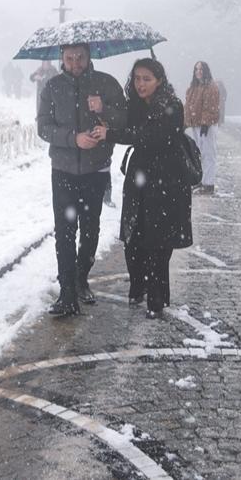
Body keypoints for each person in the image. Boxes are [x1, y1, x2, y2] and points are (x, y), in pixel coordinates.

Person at [37, 43, 127, 317]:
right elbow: (43, 127)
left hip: (95, 169)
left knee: (90, 230)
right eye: (69, 57)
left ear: (89, 57)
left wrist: (104, 112)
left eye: (80, 57)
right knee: (64, 232)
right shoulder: (52, 86)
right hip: (63, 169)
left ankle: (80, 277)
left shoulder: (106, 83)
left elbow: (123, 120)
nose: (75, 62)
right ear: (61, 59)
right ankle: (66, 293)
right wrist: (72, 138)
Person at [107, 58, 192, 319]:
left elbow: (154, 137)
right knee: (133, 236)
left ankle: (156, 298)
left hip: (167, 181)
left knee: (158, 241)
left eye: (146, 79)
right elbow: (125, 129)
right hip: (139, 178)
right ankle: (138, 285)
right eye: (136, 78)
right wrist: (103, 116)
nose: (140, 84)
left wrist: (117, 134)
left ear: (159, 80)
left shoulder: (172, 106)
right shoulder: (133, 104)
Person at [184, 61, 222, 194]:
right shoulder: (193, 87)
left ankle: (208, 184)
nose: (198, 72)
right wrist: (185, 122)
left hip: (207, 126)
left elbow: (210, 106)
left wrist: (206, 123)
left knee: (208, 154)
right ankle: (202, 180)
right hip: (195, 124)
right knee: (199, 154)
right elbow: (188, 107)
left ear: (205, 70)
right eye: (196, 69)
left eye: (201, 69)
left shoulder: (210, 87)